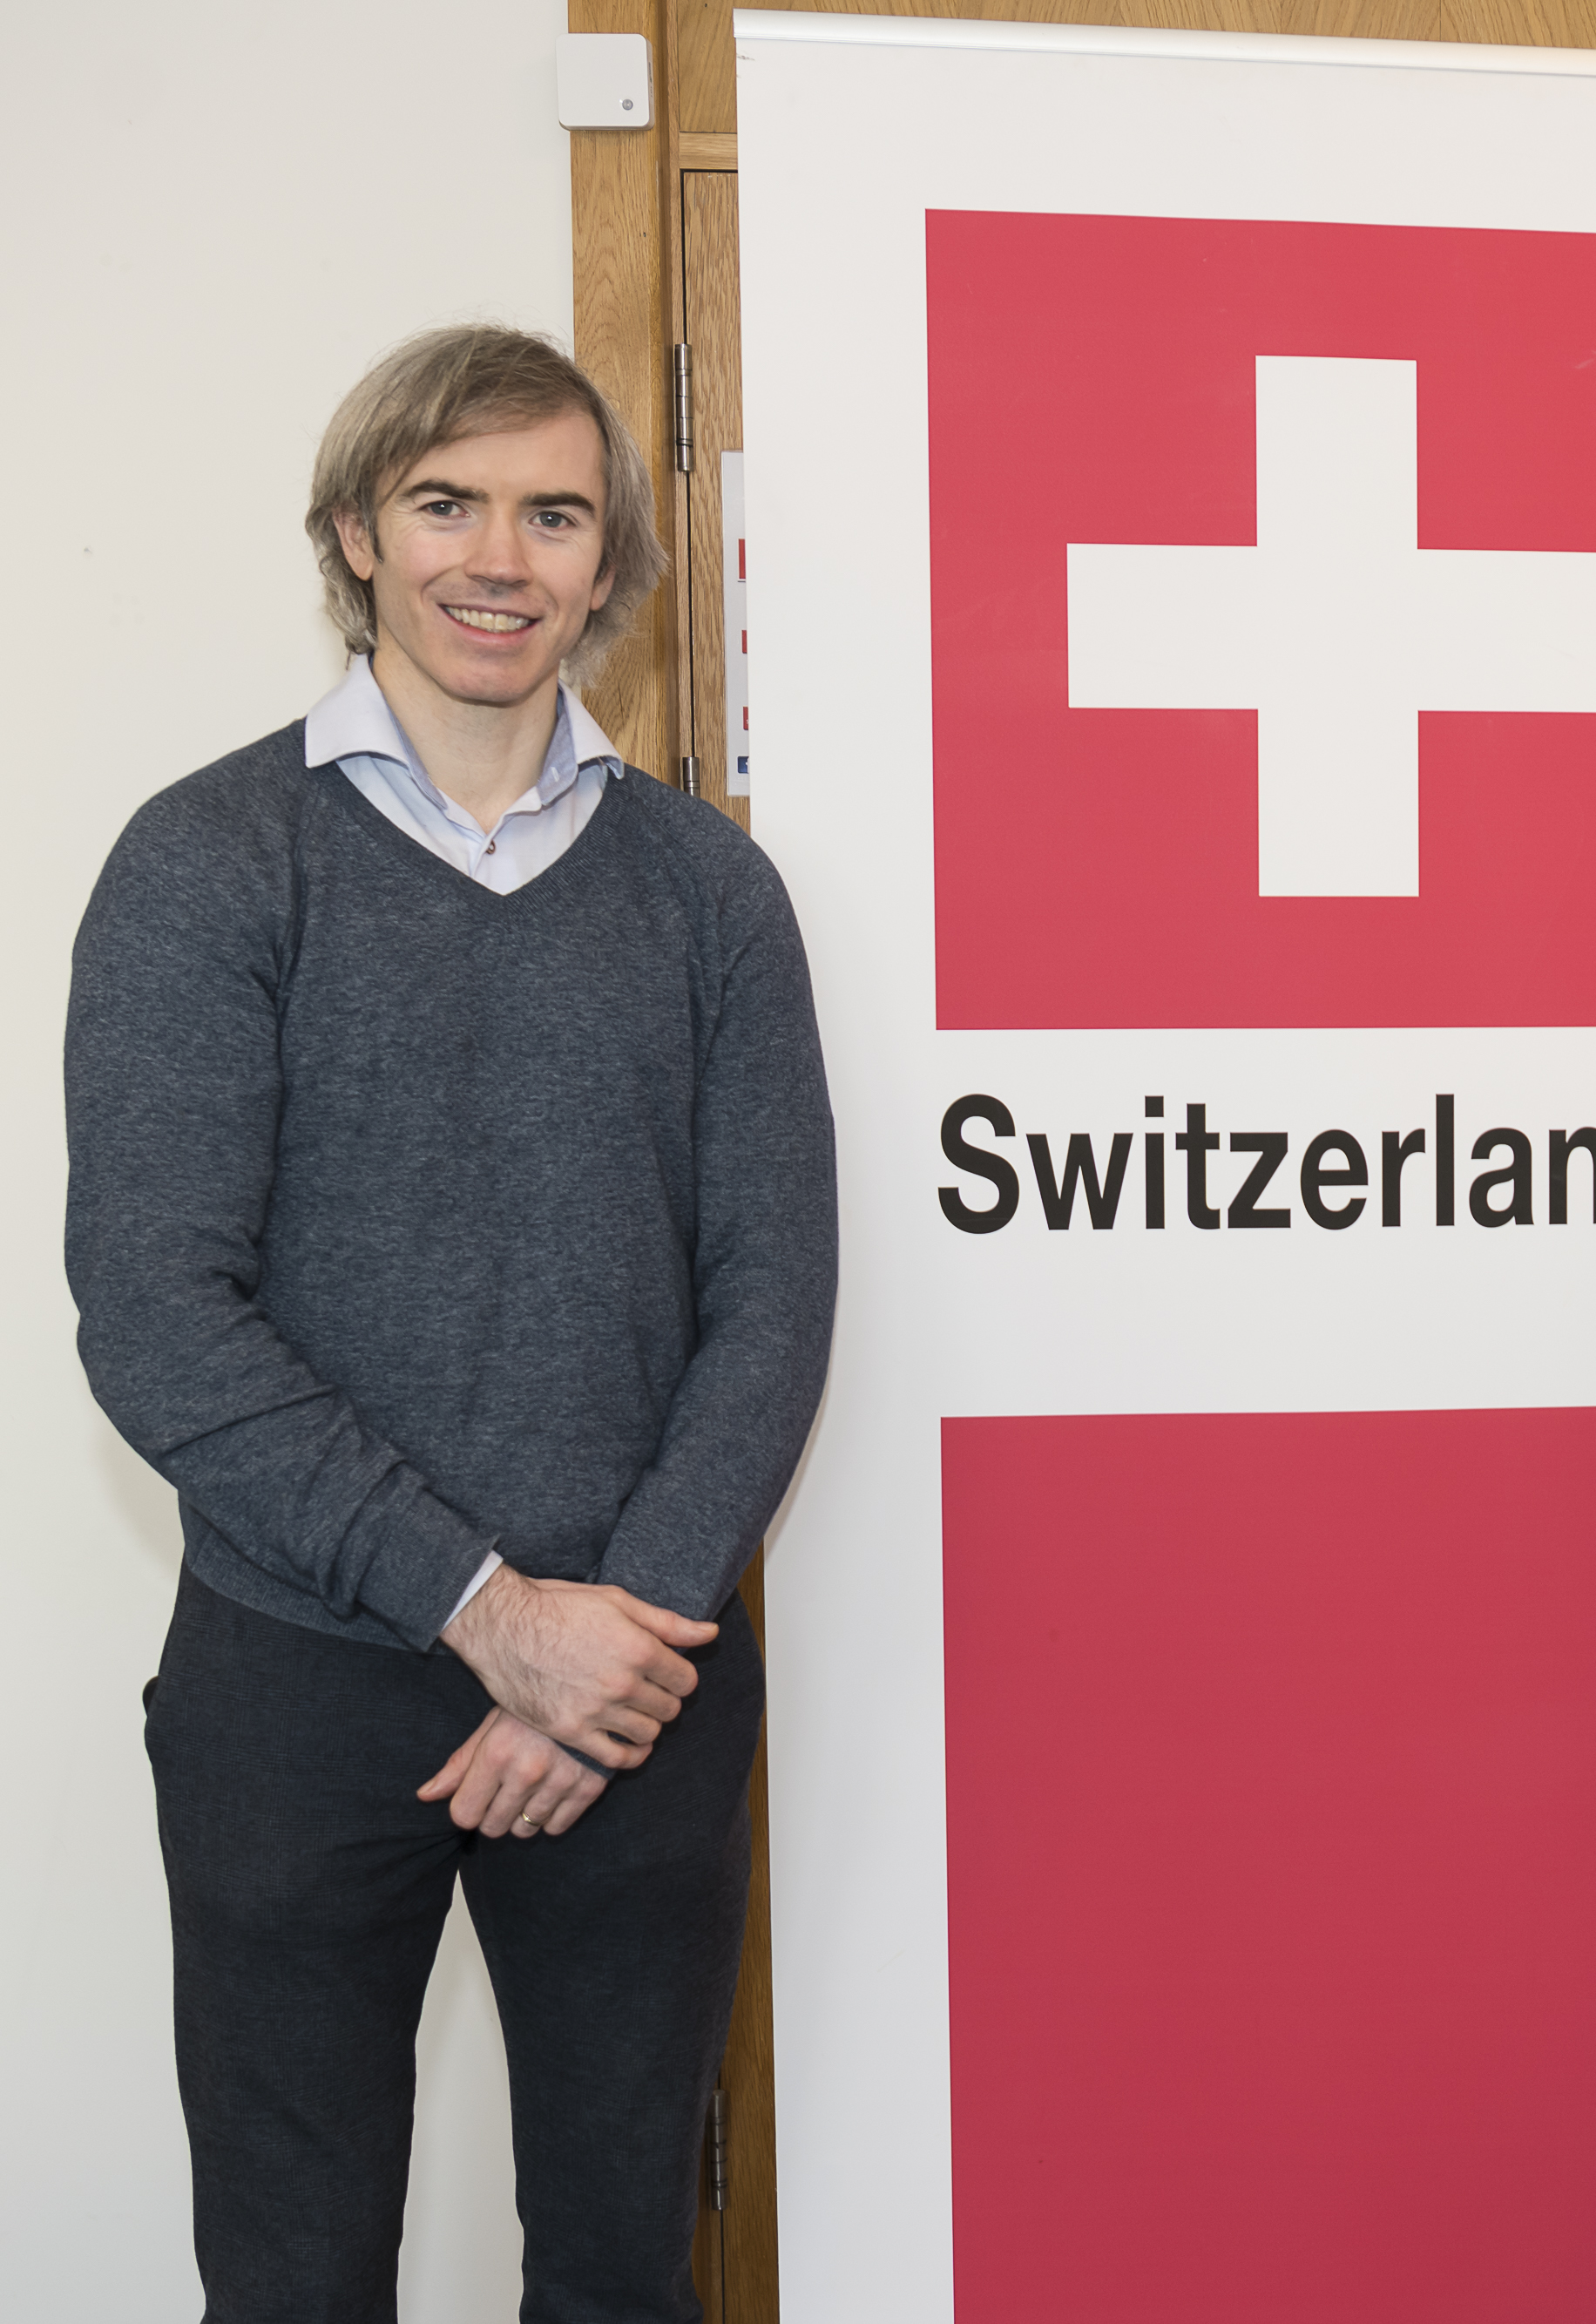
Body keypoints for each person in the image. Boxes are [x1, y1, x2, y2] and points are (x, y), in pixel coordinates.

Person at [66, 324, 837, 2321]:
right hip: (297, 1692)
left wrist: (611, 1635)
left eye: (553, 513)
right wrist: (491, 1611)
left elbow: (773, 1296)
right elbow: (156, 1313)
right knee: (294, 2279)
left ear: (609, 562)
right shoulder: (207, 860)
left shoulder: (710, 893)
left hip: (642, 1683)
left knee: (620, 2270)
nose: (499, 556)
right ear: (355, 531)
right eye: (446, 502)